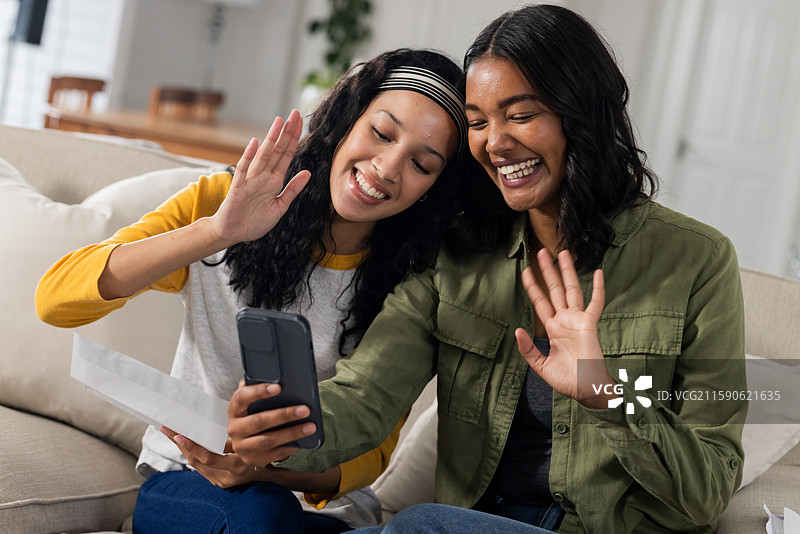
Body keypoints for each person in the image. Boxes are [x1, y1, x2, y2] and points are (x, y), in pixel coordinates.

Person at [227, 5, 748, 534]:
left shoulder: (698, 262)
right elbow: (365, 395)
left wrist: (606, 393)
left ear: (582, 112)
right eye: (478, 123)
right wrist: (284, 429)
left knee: (418, 526)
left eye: (520, 115)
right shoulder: (456, 256)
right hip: (466, 525)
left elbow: (708, 490)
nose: (494, 143)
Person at [35, 47, 470, 534]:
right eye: (382, 133)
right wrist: (218, 232)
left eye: (422, 165)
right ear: (348, 121)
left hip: (320, 510)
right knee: (261, 515)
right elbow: (55, 299)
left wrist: (264, 467)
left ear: (433, 189)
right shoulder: (227, 203)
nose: (388, 167)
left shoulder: (416, 282)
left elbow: (374, 453)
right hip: (189, 481)